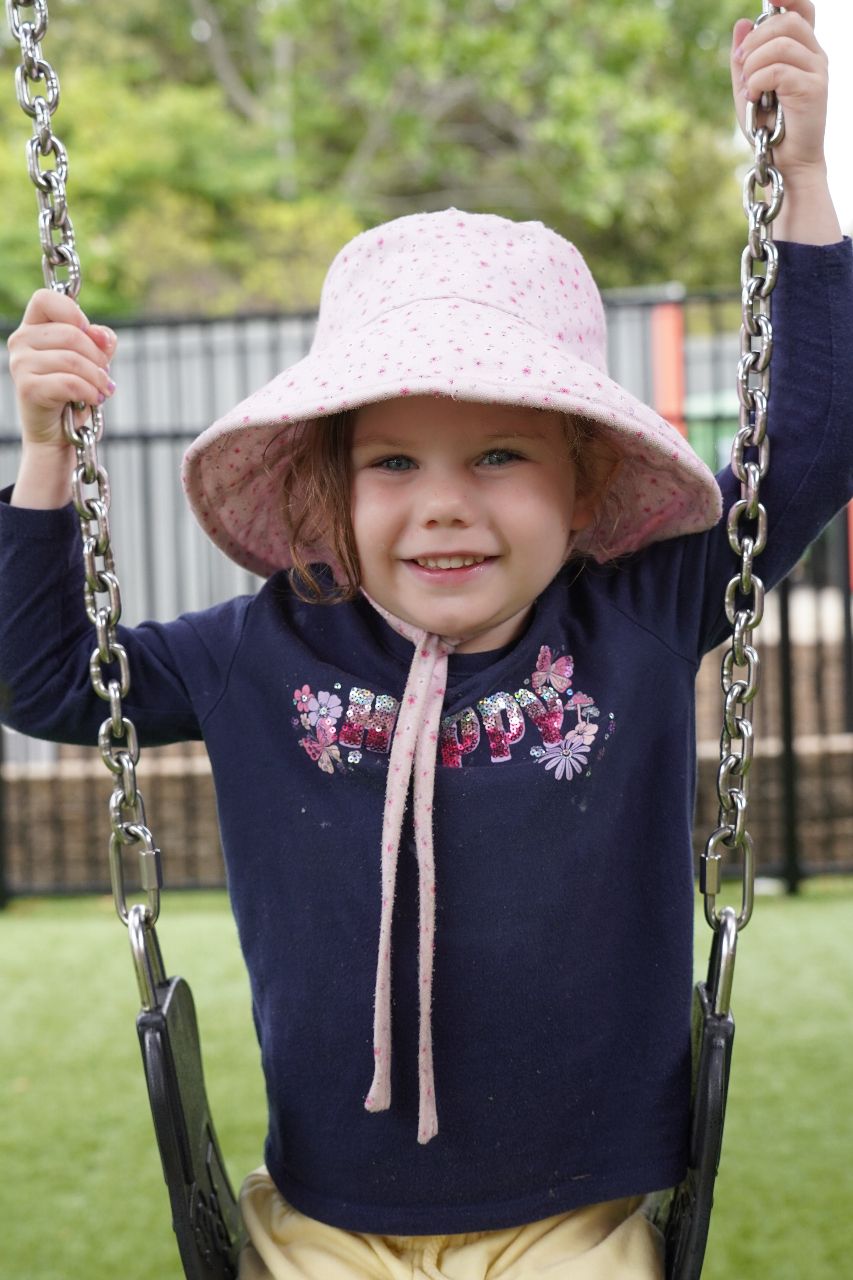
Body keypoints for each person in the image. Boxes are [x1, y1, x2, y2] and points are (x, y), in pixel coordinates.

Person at [1, 4, 850, 1277]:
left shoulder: (636, 615)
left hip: (576, 1216)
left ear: (585, 481)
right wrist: (44, 454)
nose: (444, 503)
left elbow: (816, 443)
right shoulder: (260, 649)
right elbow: (50, 680)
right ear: (332, 488)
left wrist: (803, 177)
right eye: (394, 461)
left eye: (499, 453)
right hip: (321, 1216)